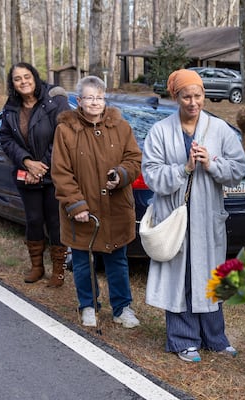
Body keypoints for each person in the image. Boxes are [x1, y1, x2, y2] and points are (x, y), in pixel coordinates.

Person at [142, 69, 245, 362]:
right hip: (174, 218)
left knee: (210, 277)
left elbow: (238, 169)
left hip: (206, 218)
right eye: (186, 96)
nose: (193, 102)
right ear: (175, 97)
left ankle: (215, 338)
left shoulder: (219, 129)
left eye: (198, 96)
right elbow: (151, 174)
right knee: (181, 278)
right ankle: (183, 339)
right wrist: (183, 169)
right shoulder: (160, 131)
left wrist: (212, 164)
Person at [51, 75, 142, 329]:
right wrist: (76, 205)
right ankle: (88, 305)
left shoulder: (121, 127)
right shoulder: (65, 131)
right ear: (78, 101)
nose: (94, 102)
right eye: (89, 97)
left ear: (105, 100)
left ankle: (122, 308)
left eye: (99, 98)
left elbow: (134, 160)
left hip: (116, 209)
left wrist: (121, 175)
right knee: (82, 262)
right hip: (83, 210)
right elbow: (60, 172)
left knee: (118, 260)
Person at [0, 62, 70, 287]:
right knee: (33, 220)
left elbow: (63, 136)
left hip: (54, 174)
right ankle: (37, 267)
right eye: (17, 78)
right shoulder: (11, 107)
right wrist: (28, 162)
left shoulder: (54, 101)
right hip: (25, 173)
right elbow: (6, 139)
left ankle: (58, 270)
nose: (23, 82)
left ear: (35, 76)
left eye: (27, 76)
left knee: (55, 222)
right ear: (13, 84)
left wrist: (42, 167)